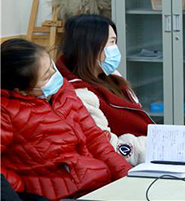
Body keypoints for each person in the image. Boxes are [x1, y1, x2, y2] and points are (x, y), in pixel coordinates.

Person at [1, 39, 131, 200]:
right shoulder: (6, 112)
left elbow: (94, 138)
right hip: (59, 195)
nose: (55, 75)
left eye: (52, 67)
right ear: (21, 90)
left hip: (96, 182)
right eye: (46, 76)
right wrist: (18, 188)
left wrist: (126, 176)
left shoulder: (63, 90)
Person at [56, 14, 152, 166]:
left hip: (145, 156)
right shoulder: (78, 95)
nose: (115, 49)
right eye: (111, 43)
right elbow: (109, 147)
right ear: (90, 47)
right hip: (127, 166)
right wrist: (155, 145)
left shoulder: (110, 75)